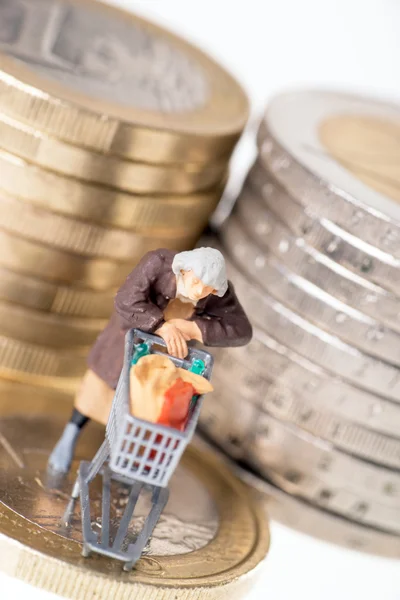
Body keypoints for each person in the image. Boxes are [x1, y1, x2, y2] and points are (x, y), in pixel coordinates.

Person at [48, 247, 252, 473]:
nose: (198, 293)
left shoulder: (215, 294)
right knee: (96, 390)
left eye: (206, 290)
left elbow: (241, 330)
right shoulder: (158, 263)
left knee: (144, 409)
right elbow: (126, 299)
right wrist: (160, 325)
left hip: (163, 360)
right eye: (195, 283)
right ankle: (70, 436)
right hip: (125, 340)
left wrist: (196, 328)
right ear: (184, 270)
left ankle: (124, 459)